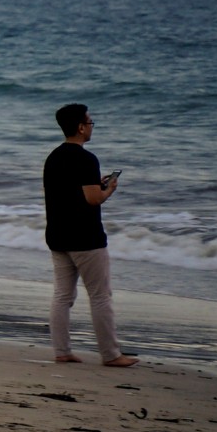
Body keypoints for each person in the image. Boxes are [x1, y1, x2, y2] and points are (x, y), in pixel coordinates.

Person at [45, 103, 136, 368]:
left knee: (62, 295)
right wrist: (109, 190)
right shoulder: (85, 159)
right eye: (90, 122)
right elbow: (93, 198)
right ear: (81, 127)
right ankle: (111, 354)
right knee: (100, 295)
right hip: (85, 237)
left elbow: (67, 192)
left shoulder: (53, 157)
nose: (92, 126)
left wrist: (97, 183)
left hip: (58, 235)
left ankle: (62, 350)